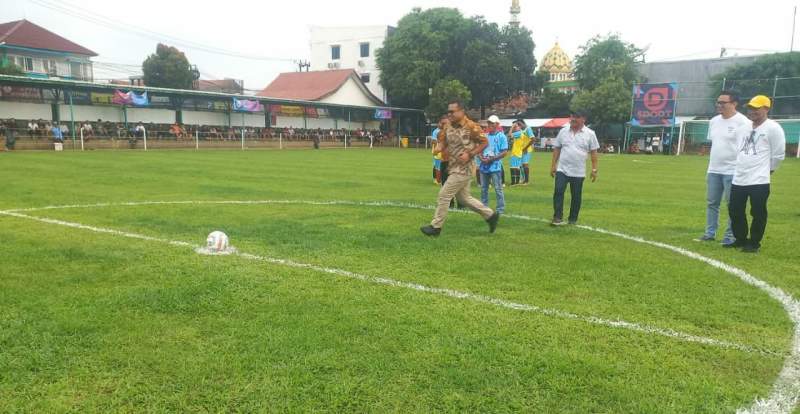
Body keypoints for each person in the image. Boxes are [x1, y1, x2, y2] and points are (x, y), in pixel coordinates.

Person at [421, 100, 499, 236]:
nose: (449, 114)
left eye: (452, 111)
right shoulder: (448, 126)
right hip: (453, 166)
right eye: (448, 111)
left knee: (444, 195)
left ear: (461, 111)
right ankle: (491, 216)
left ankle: (435, 227)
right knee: (464, 199)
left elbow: (484, 142)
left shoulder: (472, 126)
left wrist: (470, 154)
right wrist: (439, 147)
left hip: (465, 168)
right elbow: (443, 141)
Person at [727, 95, 785, 253]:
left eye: (756, 108)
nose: (752, 111)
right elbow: (740, 149)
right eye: (750, 108)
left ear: (766, 109)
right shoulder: (744, 128)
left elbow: (778, 155)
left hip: (759, 179)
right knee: (735, 209)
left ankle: (754, 242)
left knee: (758, 212)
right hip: (739, 177)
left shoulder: (773, 128)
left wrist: (768, 171)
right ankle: (740, 238)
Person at [696, 91, 750, 245]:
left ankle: (730, 237)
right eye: (718, 102)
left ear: (734, 104)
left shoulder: (743, 122)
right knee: (712, 203)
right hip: (714, 170)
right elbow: (715, 143)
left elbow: (746, 147)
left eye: (723, 103)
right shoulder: (714, 121)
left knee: (733, 205)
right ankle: (709, 233)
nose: (719, 105)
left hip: (733, 171)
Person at [550, 110, 599, 226]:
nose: (573, 119)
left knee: (576, 196)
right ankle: (557, 217)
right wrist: (553, 165)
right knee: (558, 191)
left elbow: (593, 153)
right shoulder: (563, 131)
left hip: (578, 171)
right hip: (562, 169)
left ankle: (572, 219)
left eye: (576, 117)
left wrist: (594, 169)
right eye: (572, 116)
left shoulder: (590, 134)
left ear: (583, 119)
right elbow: (557, 148)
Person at [480, 115, 508, 214]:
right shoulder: (485, 136)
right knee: (484, 188)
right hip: (484, 166)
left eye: (492, 123)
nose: (489, 125)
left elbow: (504, 152)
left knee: (498, 188)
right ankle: (484, 208)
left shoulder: (501, 136)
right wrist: (481, 157)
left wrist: (492, 159)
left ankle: (500, 209)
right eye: (489, 123)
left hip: (495, 167)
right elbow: (479, 149)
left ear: (497, 124)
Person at [518, 120, 536, 184]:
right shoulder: (521, 130)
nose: (519, 126)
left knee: (525, 164)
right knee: (521, 165)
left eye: (520, 124)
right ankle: (523, 179)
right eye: (518, 125)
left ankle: (526, 181)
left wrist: (525, 148)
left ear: (524, 123)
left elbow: (533, 139)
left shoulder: (528, 129)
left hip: (526, 150)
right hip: (521, 150)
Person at [431, 117, 447, 185]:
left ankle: (441, 179)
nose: (442, 124)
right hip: (439, 151)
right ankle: (438, 181)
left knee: (442, 166)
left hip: (443, 151)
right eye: (441, 123)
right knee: (438, 166)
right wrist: (436, 151)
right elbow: (434, 141)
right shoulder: (436, 131)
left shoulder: (445, 131)